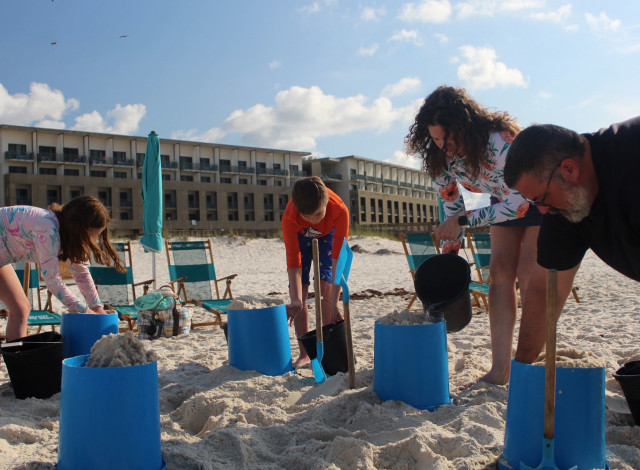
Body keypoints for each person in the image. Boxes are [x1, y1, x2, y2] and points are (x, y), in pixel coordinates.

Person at [405, 85, 542, 384]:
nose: (444, 146)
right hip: (502, 202)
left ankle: (530, 361)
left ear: (465, 125)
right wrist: (450, 255)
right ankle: (500, 369)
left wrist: (465, 220)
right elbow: (452, 204)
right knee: (499, 275)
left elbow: (519, 205)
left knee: (528, 273)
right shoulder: (440, 159)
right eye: (437, 139)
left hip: (539, 198)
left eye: (449, 137)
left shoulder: (499, 141)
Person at [504, 116, 640, 363]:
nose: (542, 211)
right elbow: (545, 289)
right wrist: (523, 366)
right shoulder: (563, 206)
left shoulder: (630, 156)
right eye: (535, 203)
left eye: (542, 199)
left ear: (569, 169)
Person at [0, 195, 125, 341]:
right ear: (77, 229)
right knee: (19, 310)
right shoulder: (48, 230)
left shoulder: (65, 233)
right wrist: (84, 310)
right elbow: (53, 281)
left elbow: (81, 273)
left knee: (20, 310)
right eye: (88, 237)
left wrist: (97, 307)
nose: (89, 242)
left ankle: (17, 361)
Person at [281, 176, 349, 368]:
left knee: (326, 287)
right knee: (299, 294)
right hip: (300, 237)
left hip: (330, 237)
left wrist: (335, 302)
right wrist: (295, 299)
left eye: (318, 215)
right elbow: (294, 262)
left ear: (326, 202)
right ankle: (304, 353)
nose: (314, 221)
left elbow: (338, 259)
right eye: (308, 217)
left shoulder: (339, 210)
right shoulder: (290, 216)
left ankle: (325, 349)